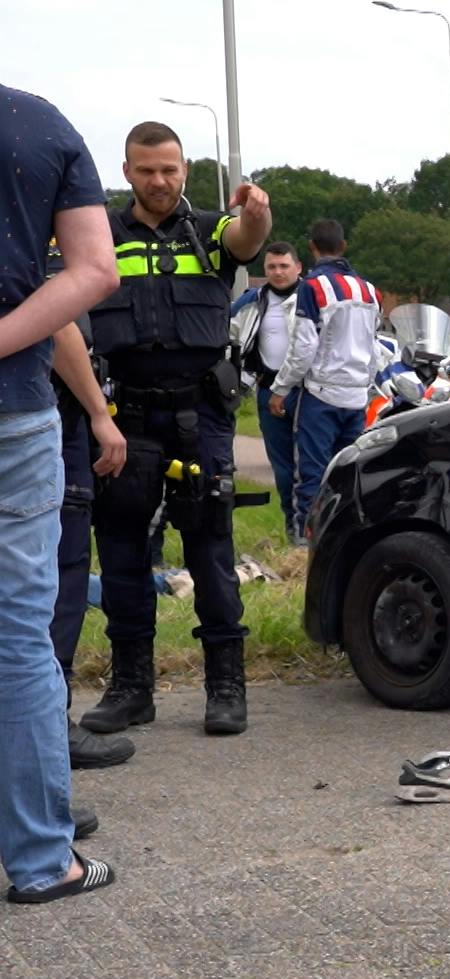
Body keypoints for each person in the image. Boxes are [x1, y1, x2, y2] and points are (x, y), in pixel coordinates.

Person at [79, 121, 271, 739]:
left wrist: (258, 214)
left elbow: (247, 239)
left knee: (211, 550)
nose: (158, 181)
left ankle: (225, 686)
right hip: (123, 419)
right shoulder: (101, 233)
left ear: (185, 169)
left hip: (200, 417)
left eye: (169, 169)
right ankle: (131, 687)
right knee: (123, 552)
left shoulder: (209, 228)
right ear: (128, 171)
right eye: (146, 170)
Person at [0, 83, 120, 904]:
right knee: (17, 638)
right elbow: (93, 272)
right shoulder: (39, 126)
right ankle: (44, 860)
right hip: (12, 417)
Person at [45, 241, 136, 770]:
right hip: (49, 424)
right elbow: (60, 327)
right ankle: (48, 731)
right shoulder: (30, 234)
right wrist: (100, 414)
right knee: (59, 578)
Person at [268, 219, 380, 542]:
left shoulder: (312, 287)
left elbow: (303, 347)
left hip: (321, 396)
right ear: (343, 246)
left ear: (312, 248)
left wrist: (281, 388)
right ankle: (346, 540)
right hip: (357, 396)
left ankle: (308, 544)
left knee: (312, 474)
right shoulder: (370, 290)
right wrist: (367, 387)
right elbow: (374, 346)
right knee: (348, 474)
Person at [230, 241, 303, 540]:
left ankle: (317, 526)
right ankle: (293, 526)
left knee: (312, 465)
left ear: (299, 268)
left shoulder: (316, 300)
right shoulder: (252, 302)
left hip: (308, 391)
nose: (278, 272)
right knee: (283, 468)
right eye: (272, 266)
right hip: (267, 389)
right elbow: (226, 332)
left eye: (284, 266)